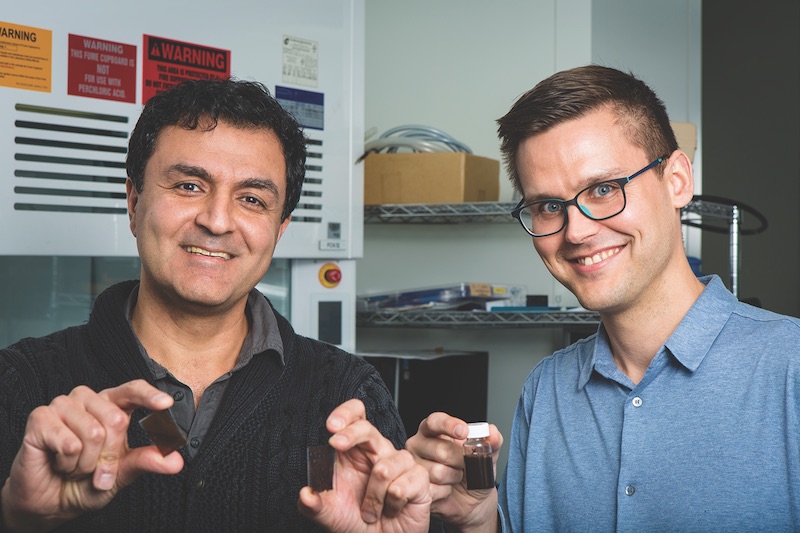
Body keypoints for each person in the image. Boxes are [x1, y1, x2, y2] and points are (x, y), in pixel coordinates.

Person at [0, 78, 430, 532]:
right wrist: (14, 517)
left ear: (279, 229)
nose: (218, 221)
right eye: (188, 186)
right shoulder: (20, 383)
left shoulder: (349, 395)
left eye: (251, 199)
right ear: (133, 201)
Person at [407, 64, 800, 532]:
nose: (577, 231)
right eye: (550, 206)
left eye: (603, 189)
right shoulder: (546, 389)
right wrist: (478, 519)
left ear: (676, 180)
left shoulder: (788, 370)